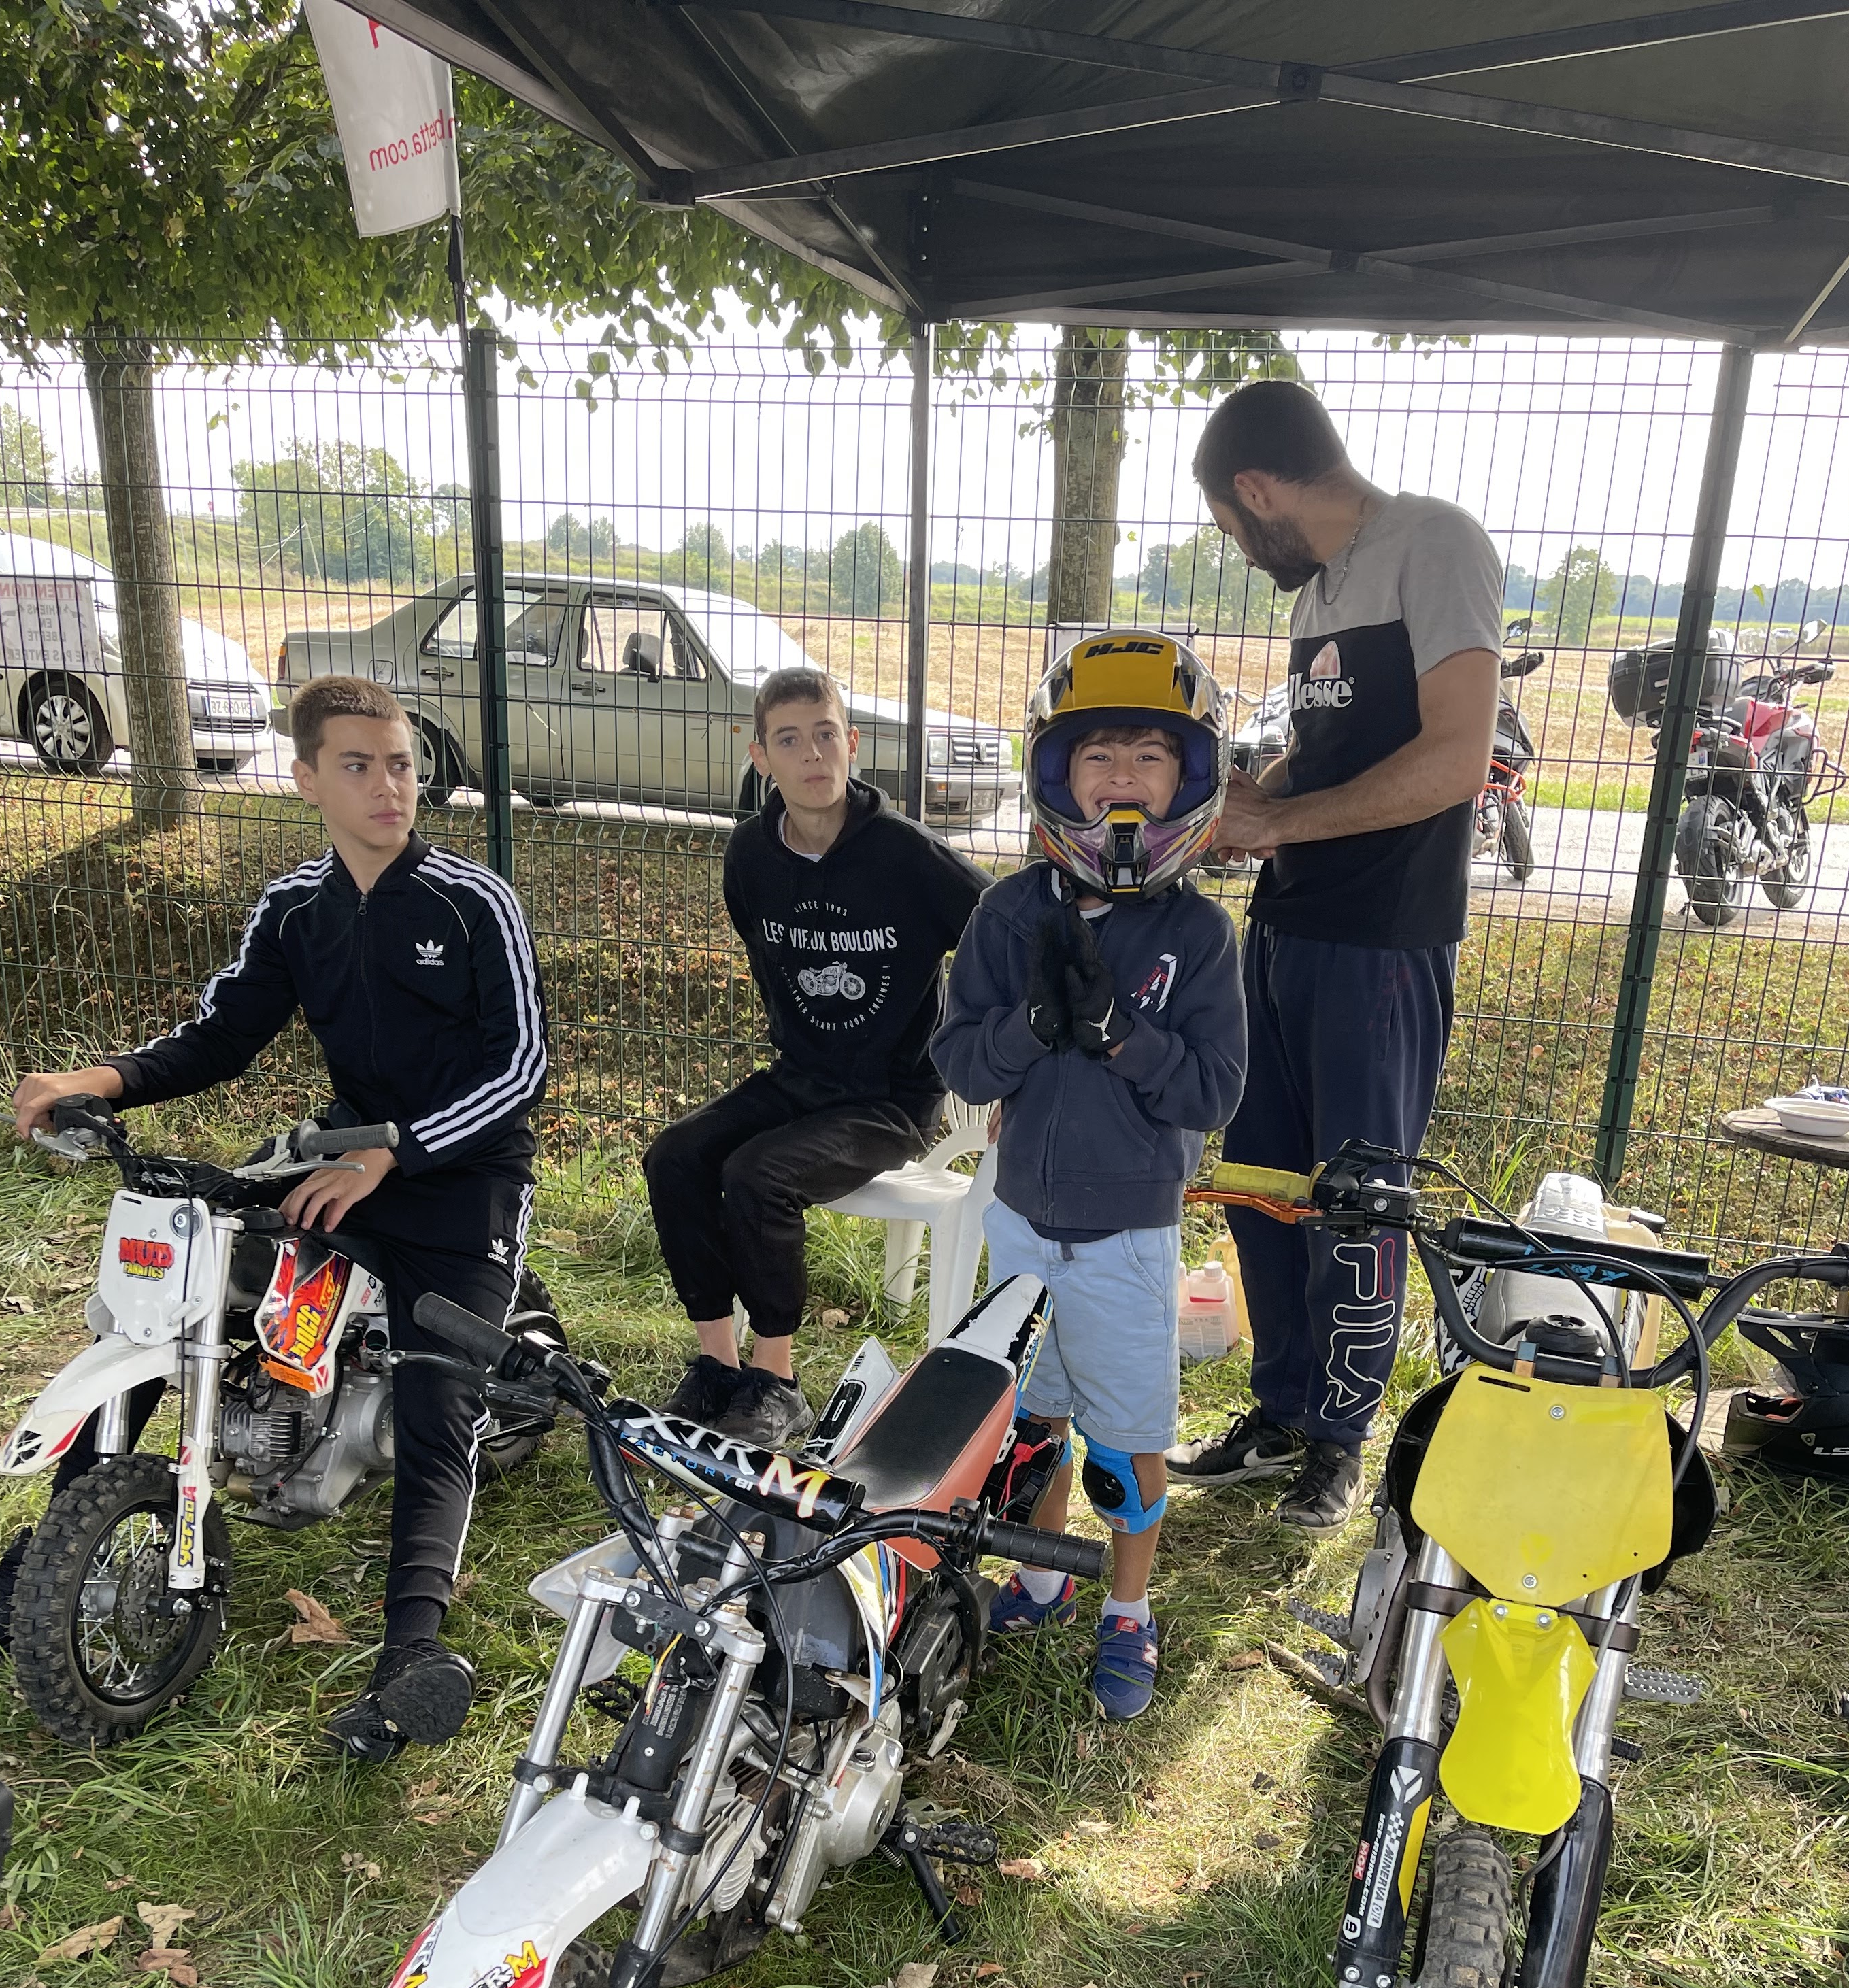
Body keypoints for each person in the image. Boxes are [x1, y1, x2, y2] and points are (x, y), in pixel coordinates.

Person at [0, 674, 546, 1761]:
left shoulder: (474, 901)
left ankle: (412, 1656)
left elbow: (521, 1069)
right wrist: (99, 1079)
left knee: (439, 1397)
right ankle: (24, 1582)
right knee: (168, 1312)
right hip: (339, 1162)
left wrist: (399, 1150)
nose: (390, 786)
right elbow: (220, 1038)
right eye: (359, 765)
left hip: (462, 1174)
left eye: (401, 764)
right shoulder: (295, 908)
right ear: (305, 780)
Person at [1168, 379, 1503, 1529]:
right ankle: (1278, 1411)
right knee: (1260, 1182)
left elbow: (1455, 761)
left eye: (1227, 522)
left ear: (1256, 488)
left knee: (1356, 1201)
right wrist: (1243, 800)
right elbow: (1330, 754)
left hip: (1383, 940)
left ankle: (1338, 1441)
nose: (1234, 544)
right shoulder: (1318, 589)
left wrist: (1278, 822)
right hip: (1286, 927)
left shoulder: (1434, 543)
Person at [933, 634, 1244, 1721]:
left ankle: (1128, 1609)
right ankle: (1040, 1575)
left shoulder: (1200, 935)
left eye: (1149, 756)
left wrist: (1124, 1036)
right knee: (1033, 1421)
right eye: (1098, 754)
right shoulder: (1009, 913)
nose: (1122, 776)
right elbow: (961, 1063)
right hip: (1021, 1223)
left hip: (1126, 1239)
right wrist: (1028, 1027)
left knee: (1123, 1441)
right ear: (1056, 775)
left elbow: (1213, 1092)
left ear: (1188, 780)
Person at [642, 667, 986, 1449]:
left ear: (851, 743)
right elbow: (763, 952)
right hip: (800, 1079)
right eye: (790, 741)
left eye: (826, 735)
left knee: (758, 1175)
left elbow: (1002, 929)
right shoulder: (751, 855)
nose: (812, 755)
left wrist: (994, 1057)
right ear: (761, 757)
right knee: (675, 1157)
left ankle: (778, 1382)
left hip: (890, 1101)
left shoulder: (905, 854)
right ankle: (718, 1366)